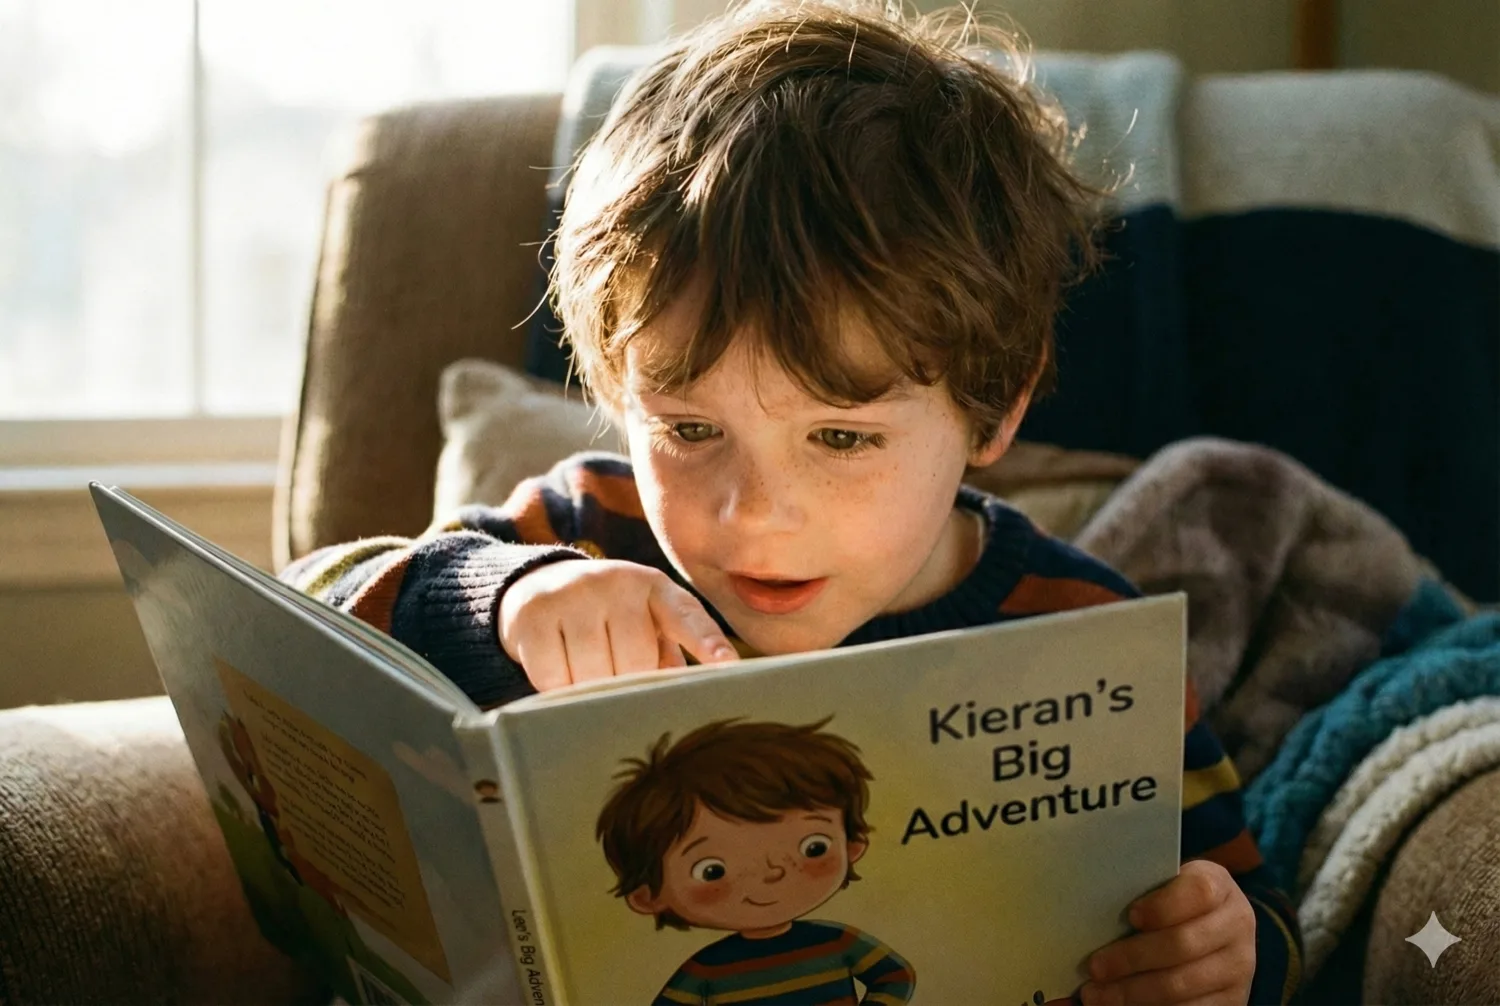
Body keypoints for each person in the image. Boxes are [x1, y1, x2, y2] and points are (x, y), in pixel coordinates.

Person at [281, 2, 1301, 1002]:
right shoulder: (578, 537)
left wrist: (1232, 952)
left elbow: (1254, 910)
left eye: (841, 438)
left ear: (994, 405)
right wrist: (501, 597)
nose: (753, 513)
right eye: (688, 430)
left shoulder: (1089, 638)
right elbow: (304, 618)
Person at [595, 718, 915, 1004]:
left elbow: (895, 977)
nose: (773, 872)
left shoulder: (837, 942)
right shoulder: (708, 969)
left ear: (852, 846)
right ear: (649, 896)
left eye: (813, 847)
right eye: (712, 871)